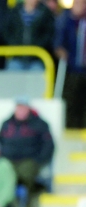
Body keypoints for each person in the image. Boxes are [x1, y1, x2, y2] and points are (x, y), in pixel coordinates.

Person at [0, 97, 54, 192]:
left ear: (28, 109)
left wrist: (39, 160)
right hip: (8, 161)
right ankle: (10, 205)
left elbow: (48, 145)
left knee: (25, 174)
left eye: (23, 108)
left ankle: (34, 194)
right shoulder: (6, 124)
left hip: (29, 161)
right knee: (2, 176)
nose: (21, 111)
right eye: (19, 107)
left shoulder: (40, 124)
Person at [56, 0, 86, 129]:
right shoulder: (66, 21)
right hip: (72, 69)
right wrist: (61, 51)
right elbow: (58, 43)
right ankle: (70, 129)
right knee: (71, 102)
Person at [4, 0, 54, 71]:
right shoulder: (14, 12)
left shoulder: (46, 14)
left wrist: (38, 46)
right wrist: (14, 45)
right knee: (12, 74)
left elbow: (49, 34)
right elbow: (6, 31)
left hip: (37, 58)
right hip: (17, 57)